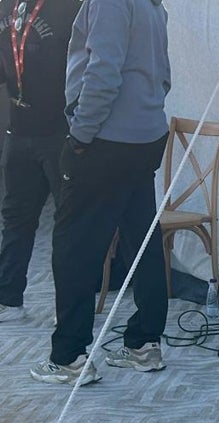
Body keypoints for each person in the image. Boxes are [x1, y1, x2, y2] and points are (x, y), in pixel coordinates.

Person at [31, 0, 171, 384]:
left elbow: (103, 72)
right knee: (141, 238)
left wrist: (80, 133)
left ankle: (69, 357)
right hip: (145, 135)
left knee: (75, 244)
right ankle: (145, 343)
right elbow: (164, 74)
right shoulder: (152, 4)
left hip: (105, 139)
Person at [0, 0, 80, 322]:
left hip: (58, 133)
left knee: (70, 223)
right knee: (15, 216)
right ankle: (8, 298)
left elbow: (88, 65)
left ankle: (73, 311)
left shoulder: (69, 8)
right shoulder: (6, 5)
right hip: (18, 130)